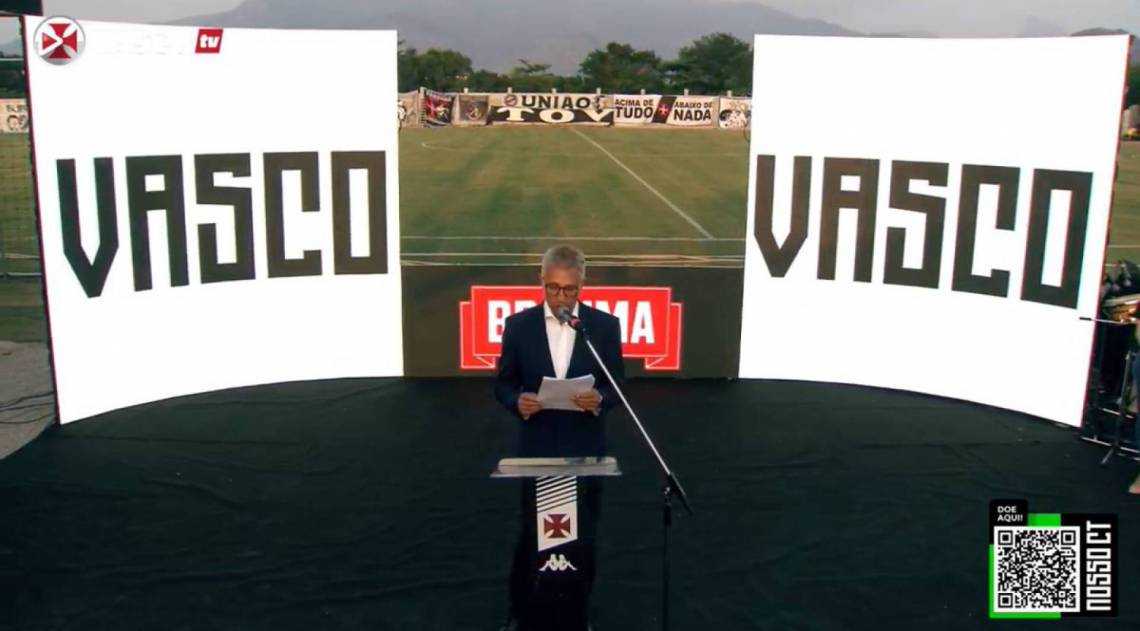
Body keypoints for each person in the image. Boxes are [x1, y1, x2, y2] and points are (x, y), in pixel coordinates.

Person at [494, 245, 625, 630]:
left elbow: (617, 384)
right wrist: (518, 401)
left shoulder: (602, 327)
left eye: (569, 290)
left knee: (583, 535)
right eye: (552, 289)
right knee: (531, 534)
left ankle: (578, 614)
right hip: (538, 447)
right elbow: (502, 385)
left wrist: (600, 398)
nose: (560, 299)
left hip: (586, 447)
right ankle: (520, 612)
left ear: (582, 284)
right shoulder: (519, 326)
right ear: (541, 281)